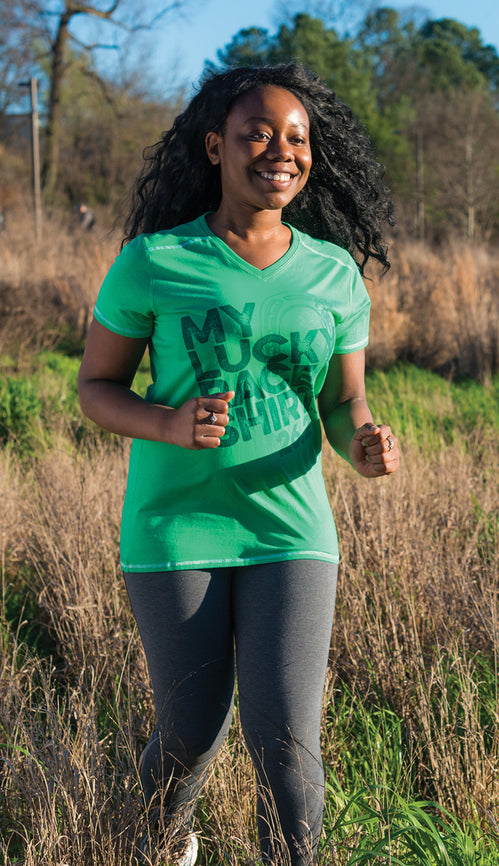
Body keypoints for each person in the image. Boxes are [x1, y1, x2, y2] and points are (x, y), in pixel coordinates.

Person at [78, 63, 399, 866]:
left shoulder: (333, 275)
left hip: (291, 527)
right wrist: (168, 420)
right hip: (173, 526)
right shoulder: (155, 261)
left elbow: (342, 400)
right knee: (192, 728)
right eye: (257, 132)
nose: (279, 150)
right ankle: (160, 844)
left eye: (296, 137)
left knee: (286, 737)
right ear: (214, 144)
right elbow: (95, 389)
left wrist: (362, 438)